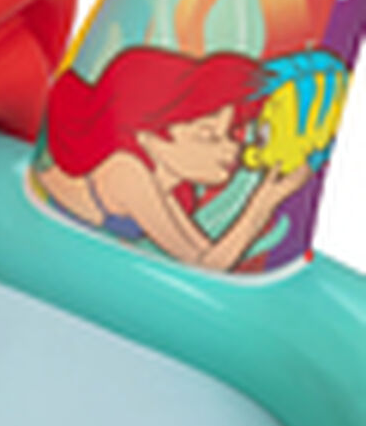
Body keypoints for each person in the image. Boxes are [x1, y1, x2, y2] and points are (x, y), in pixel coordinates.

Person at [36, 48, 312, 271]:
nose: (231, 150)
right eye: (208, 136)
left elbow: (207, 254)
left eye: (231, 135)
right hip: (46, 242)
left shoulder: (160, 187)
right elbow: (206, 266)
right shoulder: (126, 172)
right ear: (149, 136)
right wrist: (264, 202)